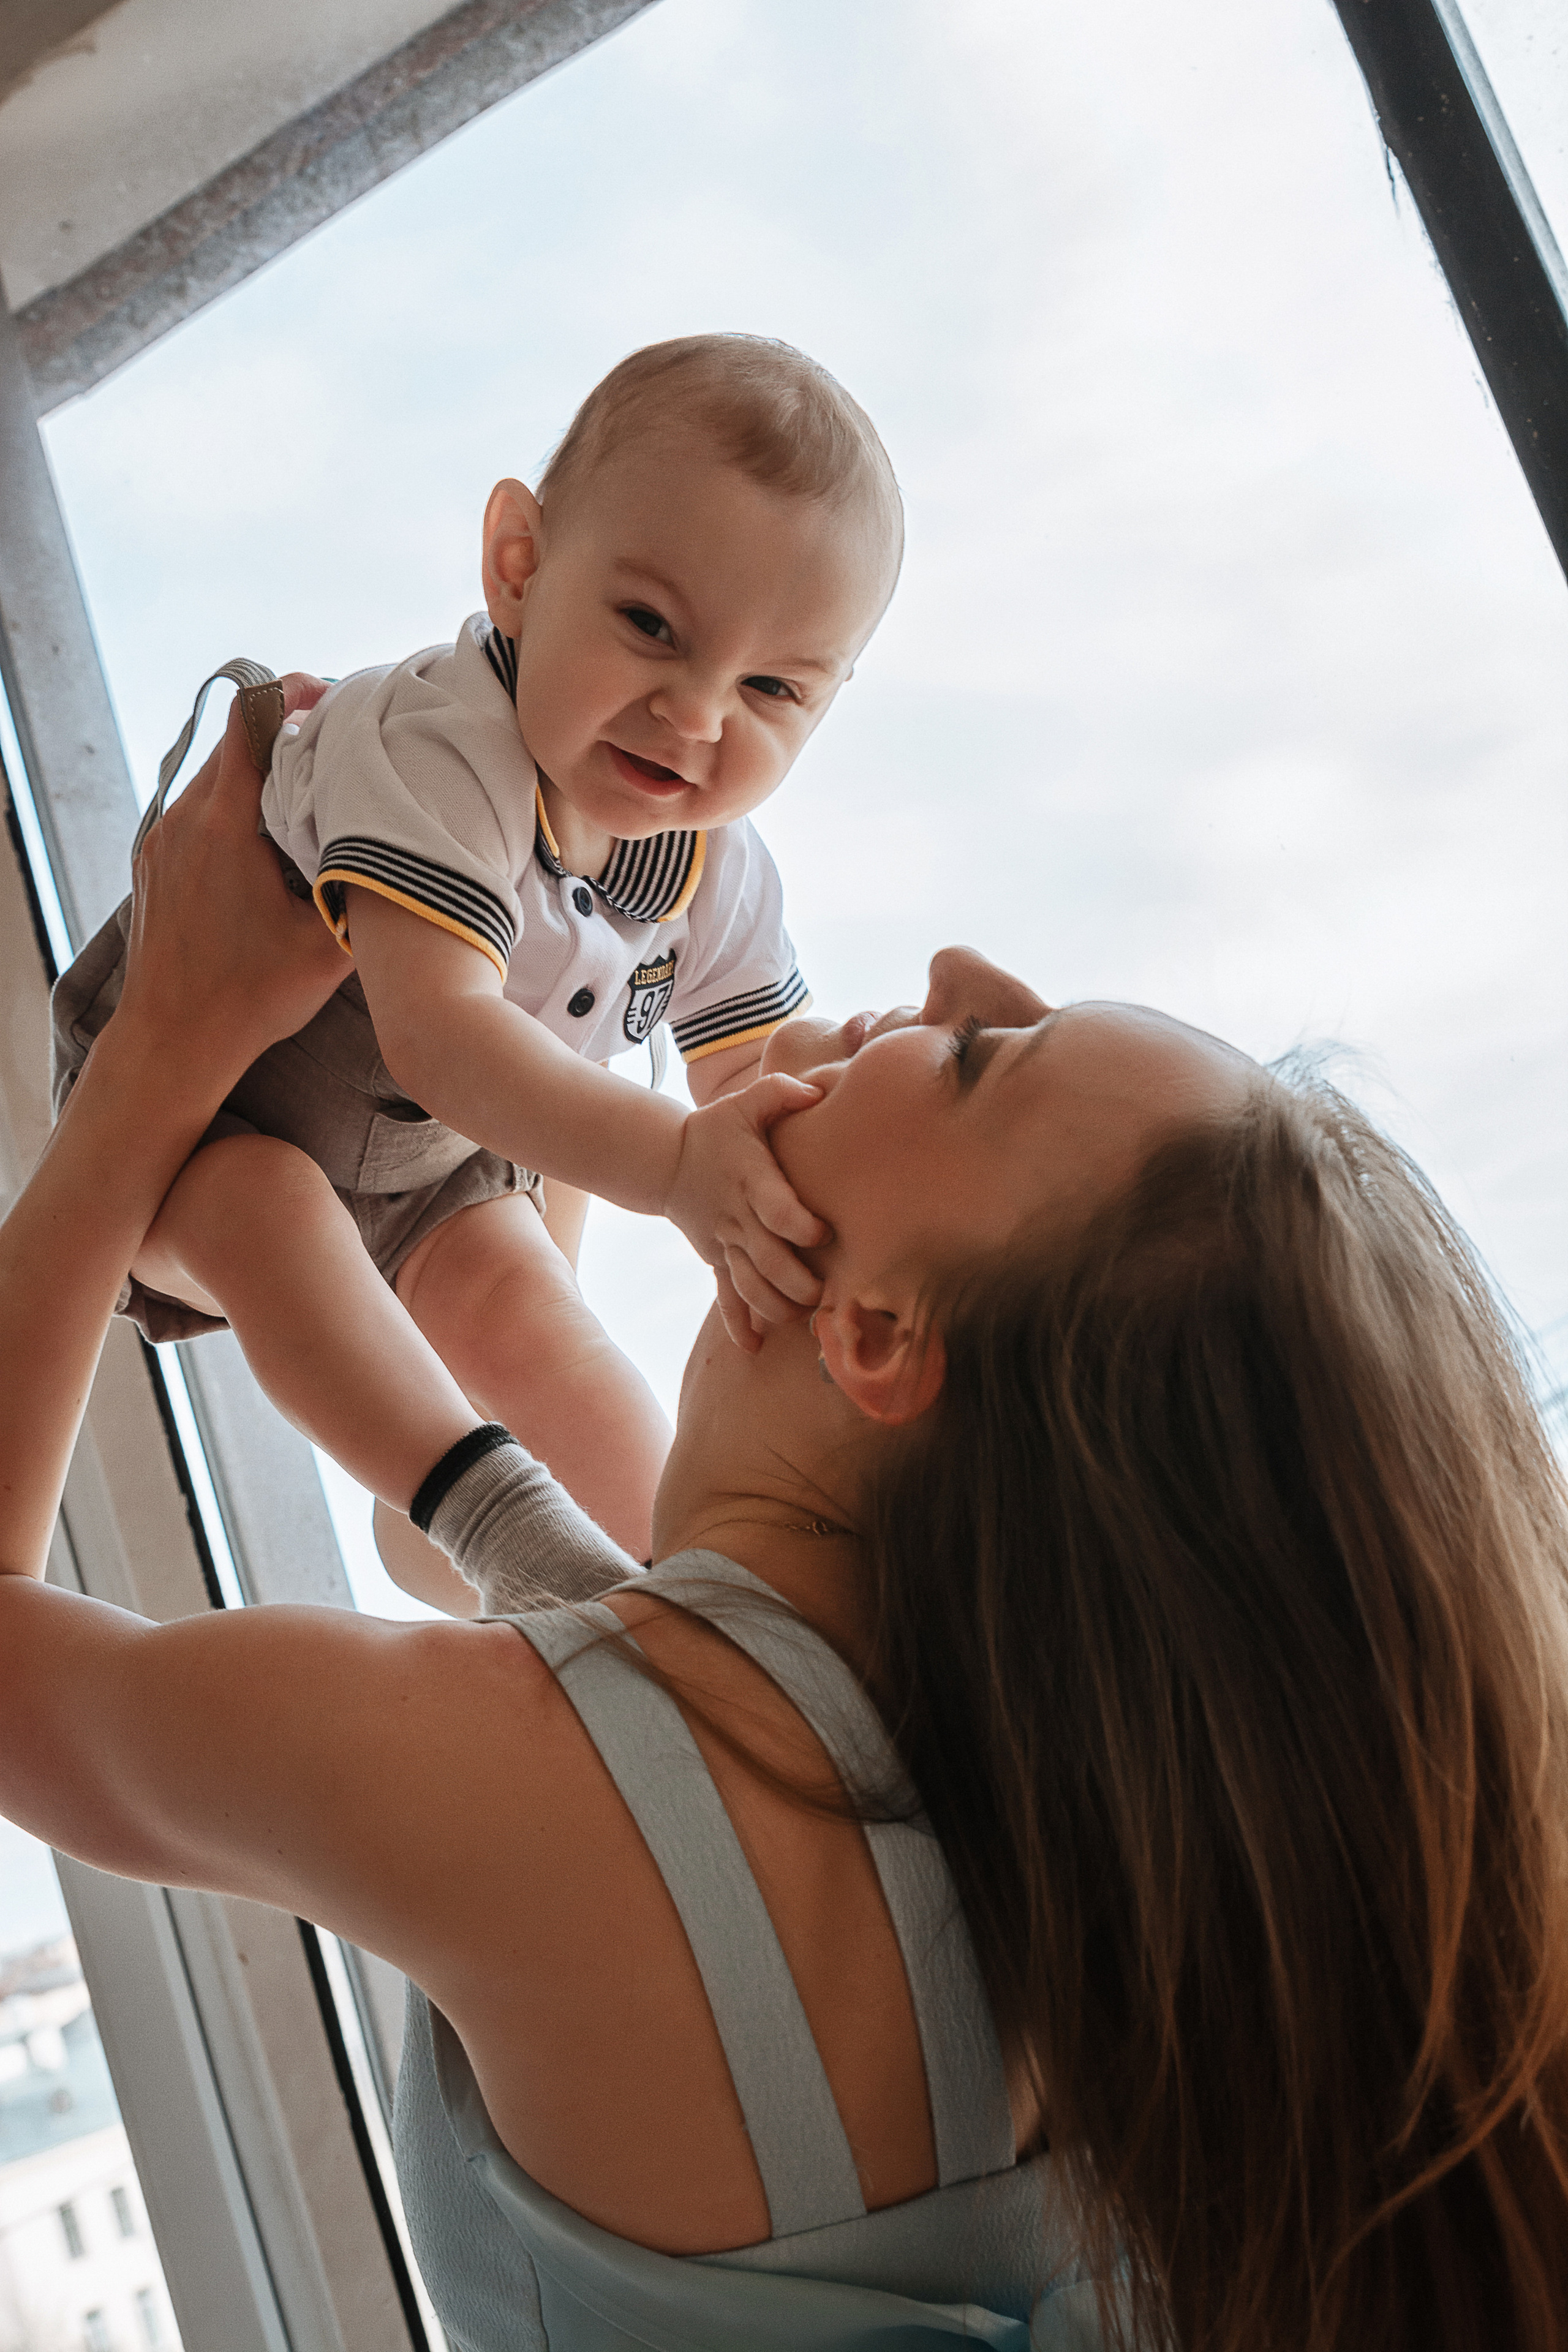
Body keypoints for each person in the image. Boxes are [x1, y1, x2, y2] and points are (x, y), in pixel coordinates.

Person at [5, 708, 1568, 2352]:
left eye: (978, 1057)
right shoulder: (1064, 1874)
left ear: (880, 1336)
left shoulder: (519, 1783)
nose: (954, 970)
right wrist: (559, 1021)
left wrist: (161, 1053)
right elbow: (591, 1578)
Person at [49, 334, 904, 1561]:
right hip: (200, 1117)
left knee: (526, 1305)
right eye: (651, 625)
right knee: (270, 1208)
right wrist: (676, 1172)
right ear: (520, 568)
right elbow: (441, 1033)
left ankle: (701, 1574)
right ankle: (494, 1529)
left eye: (771, 690)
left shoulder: (714, 865)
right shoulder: (441, 741)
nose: (696, 714)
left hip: (429, 1168)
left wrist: (844, 1099)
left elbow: (750, 1080)